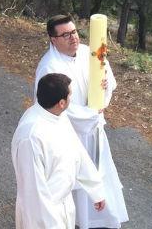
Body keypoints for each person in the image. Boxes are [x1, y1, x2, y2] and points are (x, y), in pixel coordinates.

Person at [32, 15, 128, 229]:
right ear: (52, 39)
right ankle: (75, 221)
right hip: (69, 133)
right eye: (64, 34)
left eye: (74, 32)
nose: (72, 38)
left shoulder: (89, 52)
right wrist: (92, 113)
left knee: (96, 174)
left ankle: (99, 219)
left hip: (93, 129)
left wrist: (104, 89)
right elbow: (57, 107)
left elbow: (108, 79)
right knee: (72, 181)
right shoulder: (50, 67)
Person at [12, 73, 107, 229]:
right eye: (70, 95)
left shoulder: (57, 115)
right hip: (42, 215)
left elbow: (77, 151)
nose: (72, 98)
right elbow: (34, 192)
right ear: (62, 103)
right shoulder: (31, 137)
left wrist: (96, 189)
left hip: (63, 204)